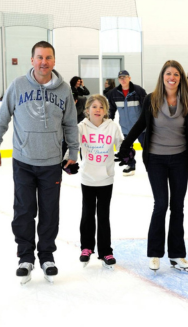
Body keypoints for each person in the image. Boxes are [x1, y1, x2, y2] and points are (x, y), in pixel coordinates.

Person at [0, 41, 79, 284]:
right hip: (23, 160)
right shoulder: (18, 86)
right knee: (24, 211)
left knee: (50, 213)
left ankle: (47, 256)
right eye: (39, 57)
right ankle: (25, 258)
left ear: (54, 61)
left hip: (51, 163)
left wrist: (73, 150)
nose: (44, 62)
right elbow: (2, 117)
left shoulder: (64, 90)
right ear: (32, 60)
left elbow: (71, 122)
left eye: (48, 57)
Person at [117, 60, 188, 273]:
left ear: (181, 78)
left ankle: (177, 254)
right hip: (156, 160)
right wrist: (124, 147)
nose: (172, 77)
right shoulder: (151, 99)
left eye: (176, 74)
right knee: (161, 204)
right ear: (162, 76)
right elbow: (139, 125)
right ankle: (155, 253)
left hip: (179, 159)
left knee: (177, 206)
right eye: (169, 73)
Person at [77, 94, 125, 269]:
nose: (97, 110)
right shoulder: (81, 127)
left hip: (106, 178)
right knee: (87, 214)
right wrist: (68, 161)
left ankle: (105, 251)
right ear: (87, 109)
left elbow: (121, 145)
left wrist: (126, 153)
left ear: (106, 110)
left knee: (103, 215)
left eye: (101, 107)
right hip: (87, 178)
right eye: (94, 107)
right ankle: (87, 247)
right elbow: (73, 146)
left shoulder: (112, 126)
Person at [107, 70, 147, 176]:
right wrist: (109, 122)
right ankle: (131, 165)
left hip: (141, 127)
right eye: (120, 78)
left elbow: (147, 108)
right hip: (125, 127)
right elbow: (111, 110)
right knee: (127, 148)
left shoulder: (139, 91)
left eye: (125, 77)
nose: (123, 79)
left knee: (147, 147)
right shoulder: (114, 93)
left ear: (129, 78)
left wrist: (148, 122)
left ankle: (150, 165)